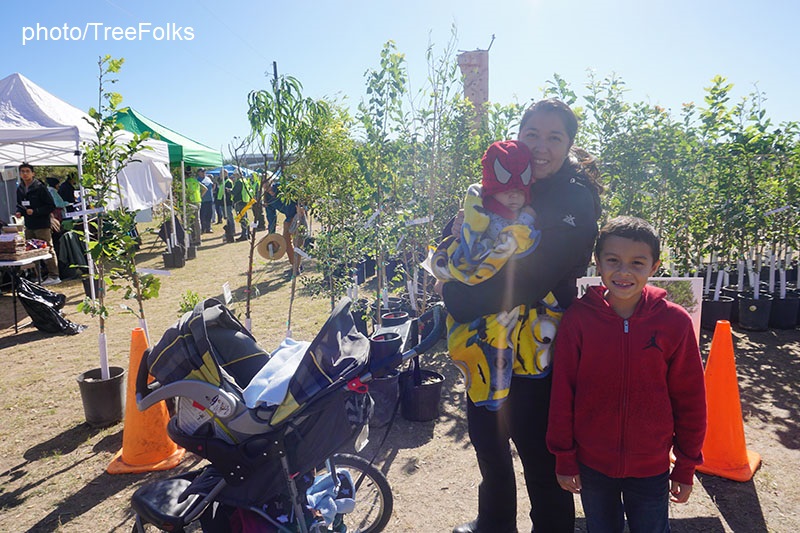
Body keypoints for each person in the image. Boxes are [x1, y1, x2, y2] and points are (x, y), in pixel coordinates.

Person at [442, 99, 603, 533]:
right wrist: (454, 232)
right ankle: (494, 522)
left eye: (555, 137)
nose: (541, 147)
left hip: (540, 347)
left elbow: (530, 279)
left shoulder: (574, 199)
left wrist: (454, 297)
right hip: (486, 341)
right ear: (518, 134)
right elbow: (462, 230)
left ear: (569, 144)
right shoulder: (503, 180)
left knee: (538, 448)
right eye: (532, 134)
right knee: (488, 439)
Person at [546, 216, 707, 532]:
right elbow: (563, 392)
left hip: (652, 466)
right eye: (613, 260)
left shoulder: (674, 322)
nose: (623, 272)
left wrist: (686, 464)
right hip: (593, 466)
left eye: (637, 262)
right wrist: (564, 456)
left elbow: (691, 398)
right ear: (597, 262)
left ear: (655, 266)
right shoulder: (578, 319)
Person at [432, 140, 542, 411]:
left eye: (519, 191)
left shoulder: (523, 212)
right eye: (507, 191)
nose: (514, 197)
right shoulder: (485, 212)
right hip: (480, 282)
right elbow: (473, 242)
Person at [15, 163, 61, 285]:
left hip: (42, 224)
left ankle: (54, 275)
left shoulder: (40, 187)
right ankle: (37, 276)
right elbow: (20, 205)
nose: (25, 174)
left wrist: (35, 211)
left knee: (47, 249)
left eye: (27, 171)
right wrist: (19, 212)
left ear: (33, 173)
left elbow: (51, 206)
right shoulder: (20, 188)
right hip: (29, 225)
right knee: (30, 250)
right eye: (22, 171)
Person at [232, 172, 252, 241]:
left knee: (242, 218)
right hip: (245, 201)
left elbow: (234, 192)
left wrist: (229, 190)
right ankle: (248, 233)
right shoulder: (245, 181)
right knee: (245, 218)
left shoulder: (239, 182)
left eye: (235, 175)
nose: (234, 176)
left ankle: (244, 235)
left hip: (239, 201)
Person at [198, 169, 215, 233]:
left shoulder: (208, 179)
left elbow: (213, 186)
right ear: (199, 173)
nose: (203, 173)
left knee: (209, 214)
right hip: (202, 200)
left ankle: (208, 228)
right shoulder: (197, 180)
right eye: (202, 172)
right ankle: (203, 228)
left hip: (210, 200)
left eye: (204, 172)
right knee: (202, 215)